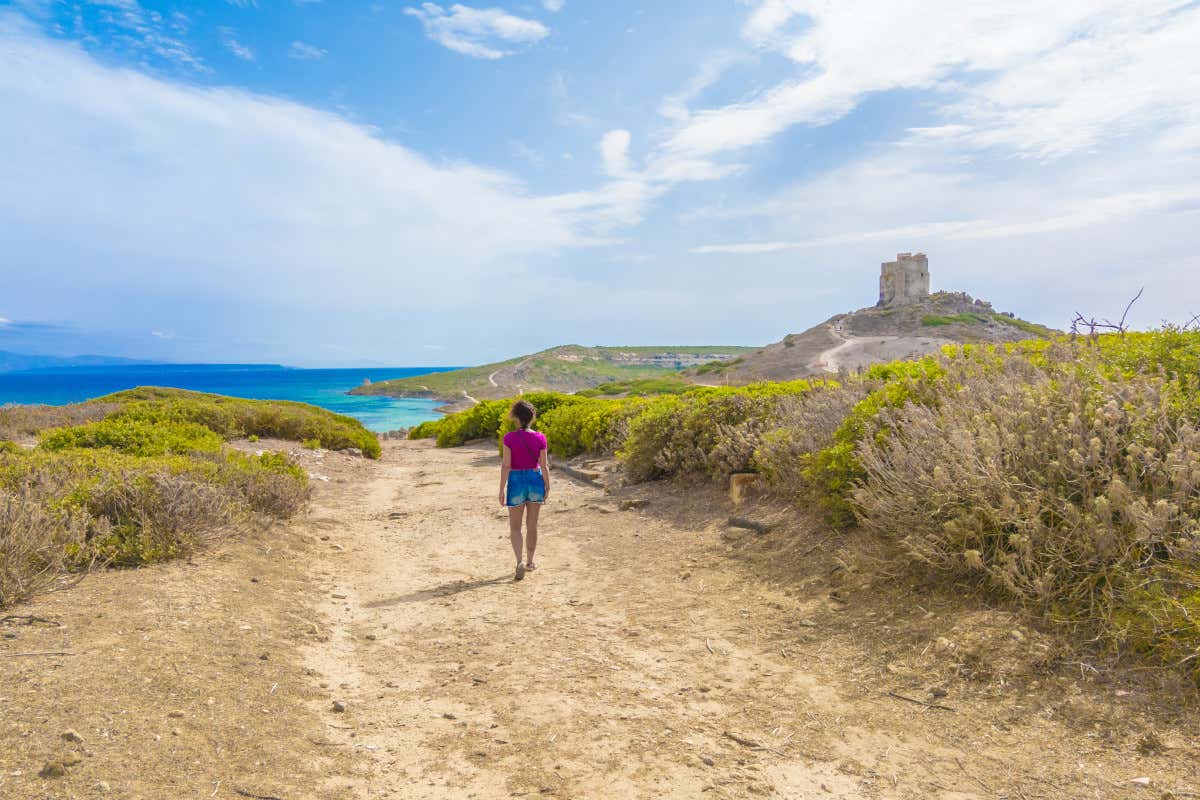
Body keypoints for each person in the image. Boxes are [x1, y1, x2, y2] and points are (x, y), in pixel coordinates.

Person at [498, 400, 550, 581]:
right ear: (531, 417)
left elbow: (506, 466)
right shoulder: (540, 438)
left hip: (516, 481)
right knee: (532, 524)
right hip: (535, 479)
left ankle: (519, 561)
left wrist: (501, 489)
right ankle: (530, 562)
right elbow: (544, 465)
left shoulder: (509, 438)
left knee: (515, 526)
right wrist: (547, 485)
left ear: (515, 417)